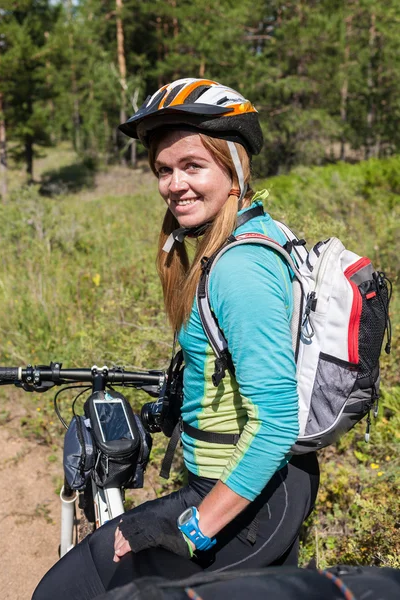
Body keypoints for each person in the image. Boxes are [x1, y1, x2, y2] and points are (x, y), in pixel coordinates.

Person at [32, 78, 319, 600]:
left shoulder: (241, 267)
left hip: (247, 503)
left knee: (61, 592)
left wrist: (192, 528)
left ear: (233, 168)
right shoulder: (251, 235)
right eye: (164, 170)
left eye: (192, 165)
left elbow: (276, 421)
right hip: (252, 489)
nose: (174, 184)